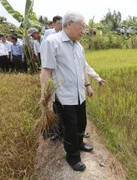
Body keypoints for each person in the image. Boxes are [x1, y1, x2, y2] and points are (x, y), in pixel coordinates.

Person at [40, 11, 96, 171]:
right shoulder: (52, 42)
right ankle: (72, 156)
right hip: (64, 96)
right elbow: (46, 70)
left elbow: (82, 68)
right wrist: (42, 95)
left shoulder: (78, 46)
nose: (83, 31)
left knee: (81, 122)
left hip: (79, 94)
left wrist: (88, 85)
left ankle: (79, 143)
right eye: (81, 27)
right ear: (69, 24)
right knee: (70, 127)